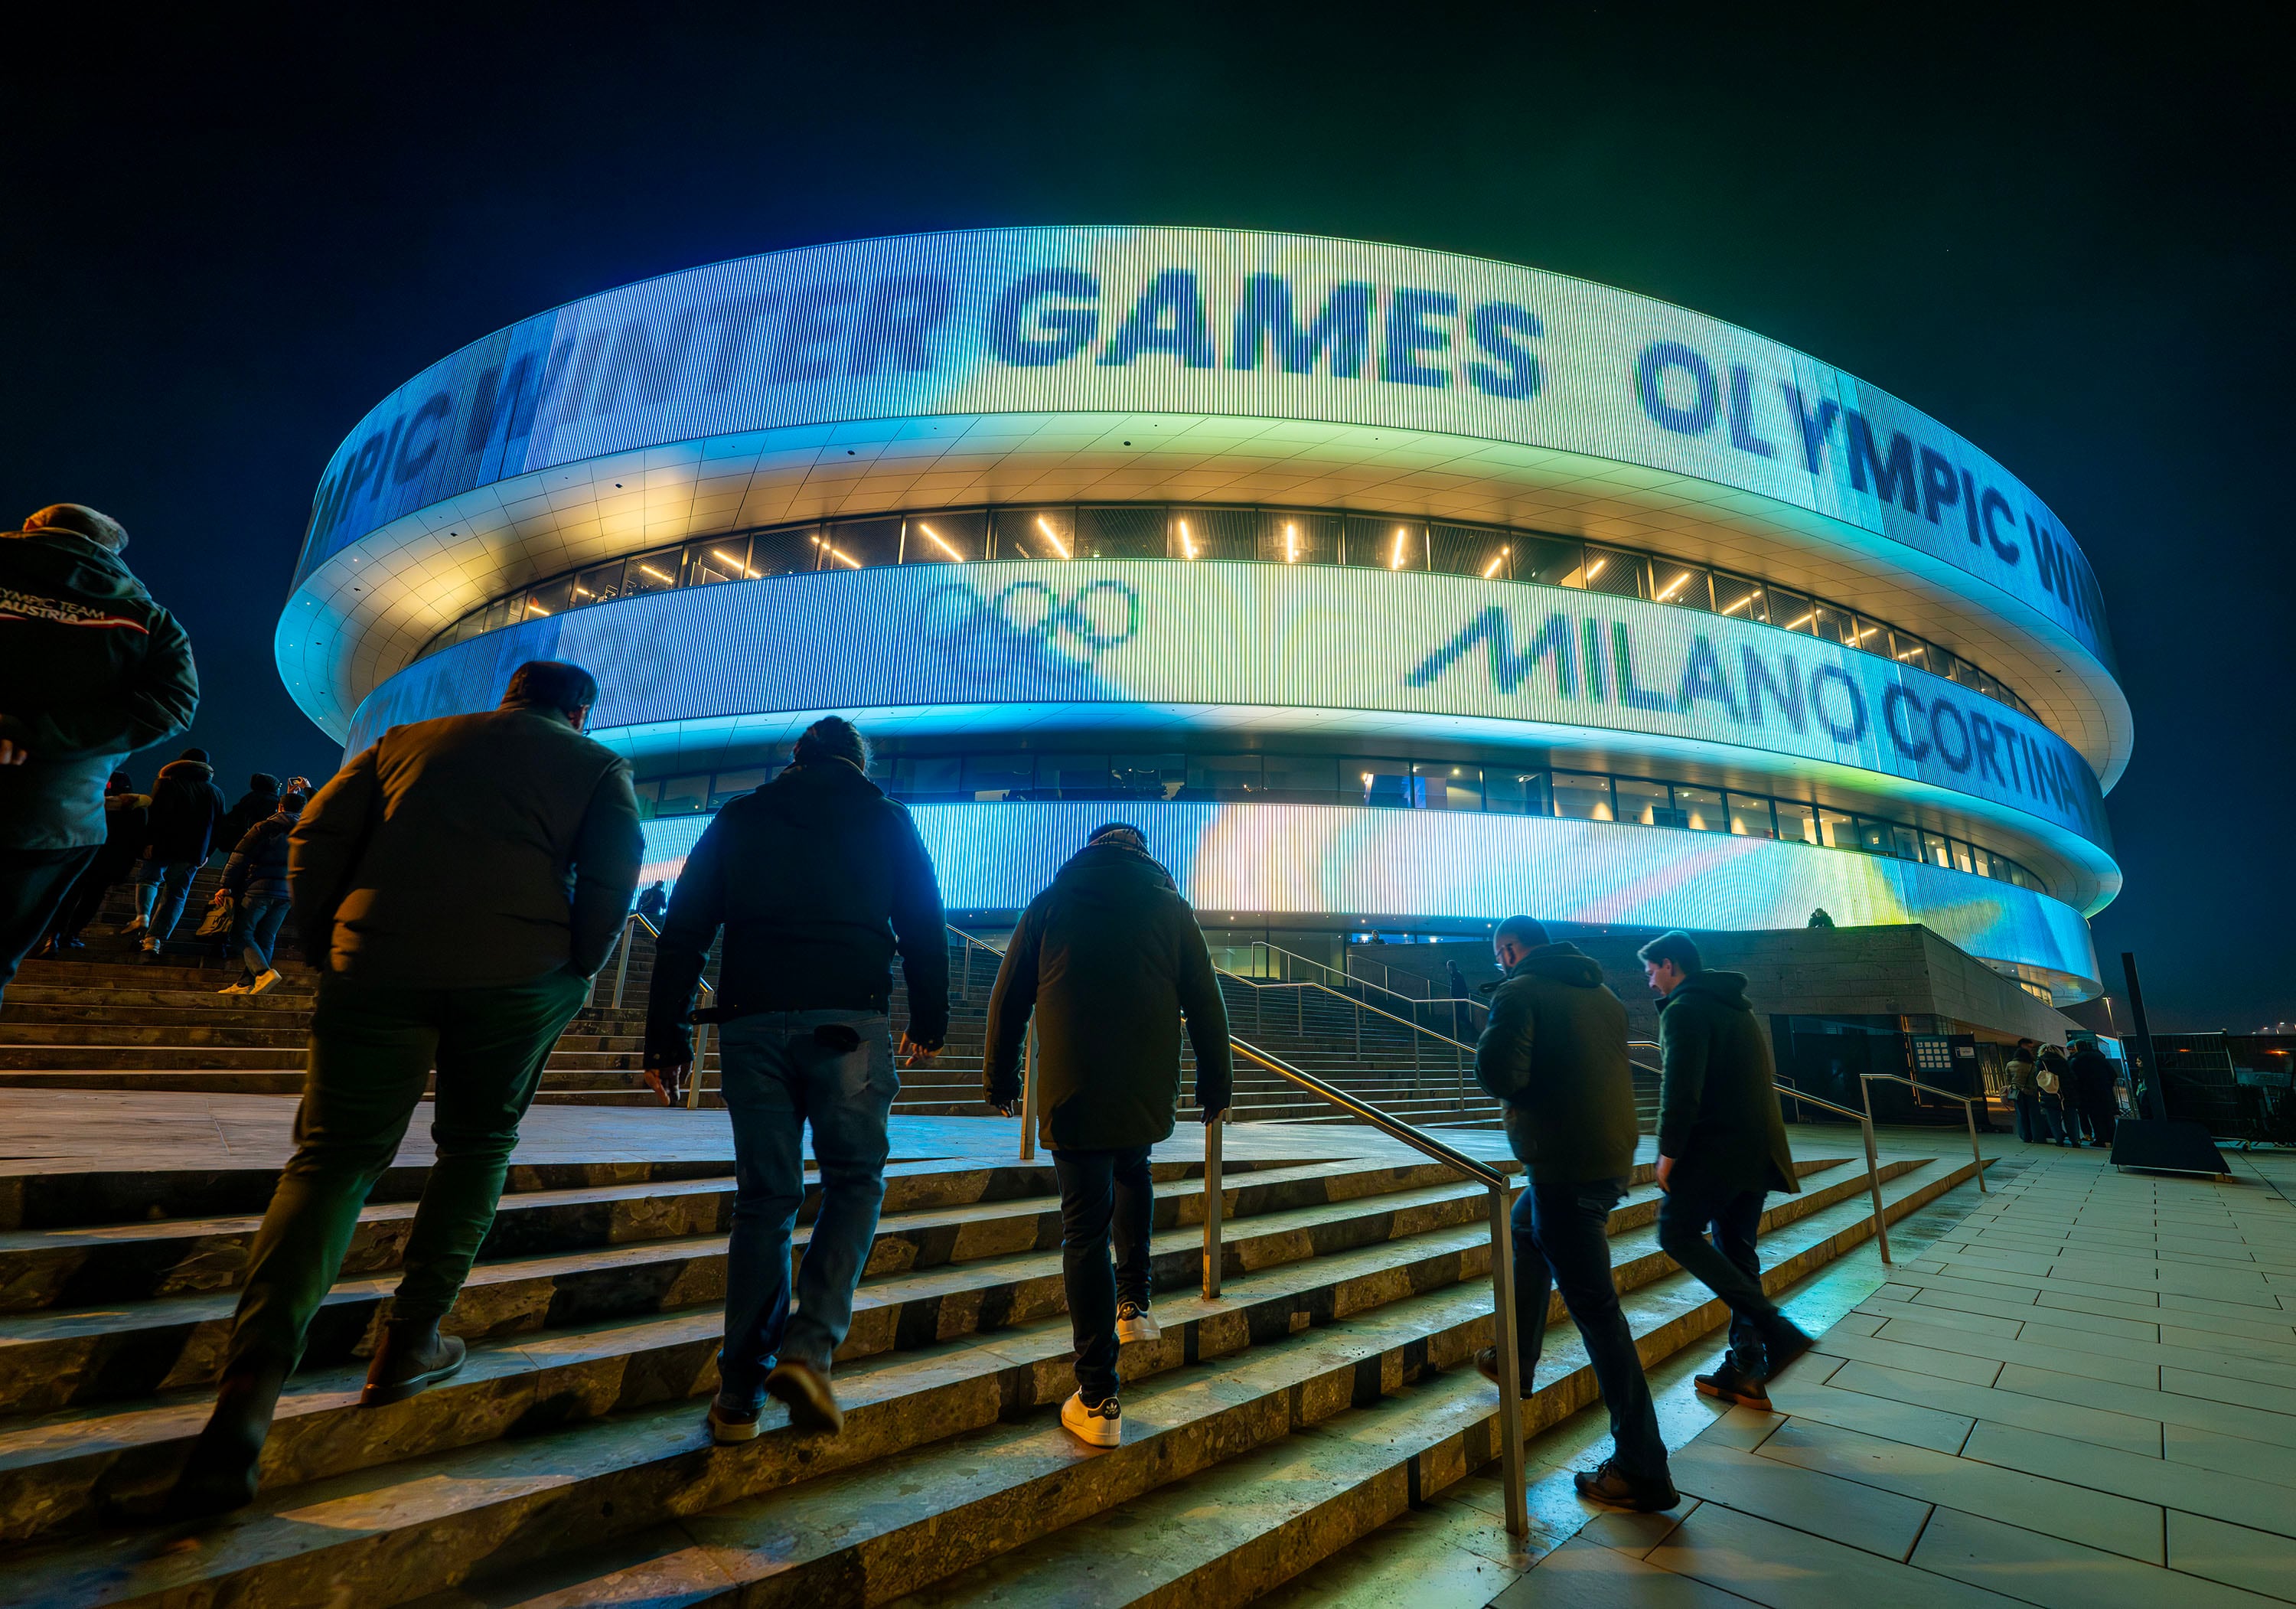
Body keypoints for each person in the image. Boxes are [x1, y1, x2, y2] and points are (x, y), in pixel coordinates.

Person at [165, 660, 642, 1517]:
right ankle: (410, 1341)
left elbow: (314, 833)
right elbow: (612, 880)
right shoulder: (598, 766)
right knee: (479, 1143)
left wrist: (324, 930)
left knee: (329, 1160)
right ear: (578, 710)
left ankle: (247, 1396)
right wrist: (579, 967)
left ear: (507, 696)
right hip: (518, 974)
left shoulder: (401, 741)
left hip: (377, 958)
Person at [644, 716, 947, 1444]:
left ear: (796, 758)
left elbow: (684, 927)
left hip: (751, 1023)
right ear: (858, 762)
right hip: (849, 1020)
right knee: (854, 1180)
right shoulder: (887, 817)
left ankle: (738, 1394)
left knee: (766, 1201)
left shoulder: (742, 814)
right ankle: (809, 1351)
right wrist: (929, 1019)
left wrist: (667, 1034)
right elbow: (923, 922)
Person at [983, 821, 1232, 1450]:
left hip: (1071, 1088)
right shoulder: (1172, 908)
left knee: (1082, 1229)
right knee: (1135, 1169)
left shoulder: (1051, 901)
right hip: (1143, 1087)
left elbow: (1008, 996)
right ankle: (1135, 1305)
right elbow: (1206, 999)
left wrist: (1000, 1074)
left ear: (1089, 849)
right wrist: (1215, 1082)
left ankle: (1098, 1397)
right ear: (1144, 856)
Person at [1472, 915, 1676, 1513]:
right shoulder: (1602, 993)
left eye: (1499, 957)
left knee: (1598, 1314)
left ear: (1509, 951)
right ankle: (1518, 1360)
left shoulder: (1518, 990)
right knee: (1523, 1225)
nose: (1500, 966)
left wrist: (1490, 1026)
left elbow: (1499, 1073)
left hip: (1564, 1164)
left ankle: (1642, 1466)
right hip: (1609, 1157)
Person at [0, 504, 197, 1002]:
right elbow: (172, 705)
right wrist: (42, 737)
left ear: (31, 528)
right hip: (53, 816)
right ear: (111, 551)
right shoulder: (150, 621)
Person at [1639, 931, 1813, 1412]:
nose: (1650, 982)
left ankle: (1773, 1329)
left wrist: (1668, 1151)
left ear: (1671, 965)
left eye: (1652, 970)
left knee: (1675, 1232)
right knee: (1737, 1253)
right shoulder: (1738, 1007)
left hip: (1717, 1149)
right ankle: (1746, 1367)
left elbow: (1681, 1085)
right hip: (1756, 1151)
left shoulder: (1685, 1008)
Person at [126, 747, 226, 959]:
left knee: (149, 878)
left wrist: (149, 841)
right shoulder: (216, 792)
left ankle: (143, 916)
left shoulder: (167, 782)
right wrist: (207, 852)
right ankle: (154, 940)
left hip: (163, 844)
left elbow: (156, 814)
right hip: (192, 852)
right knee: (176, 894)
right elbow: (219, 827)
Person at [214, 791, 306, 994]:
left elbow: (239, 856)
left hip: (259, 889)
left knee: (241, 932)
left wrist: (226, 884)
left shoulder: (264, 827)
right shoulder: (308, 833)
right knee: (266, 937)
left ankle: (263, 973)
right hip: (287, 893)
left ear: (280, 807)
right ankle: (246, 983)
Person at [43, 772, 145, 953]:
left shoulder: (90, 804)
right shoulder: (135, 809)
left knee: (69, 896)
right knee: (92, 899)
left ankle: (54, 937)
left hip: (82, 858)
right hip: (108, 864)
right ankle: (72, 934)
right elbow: (136, 840)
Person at [217, 773, 283, 860]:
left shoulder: (246, 800)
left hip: (240, 846)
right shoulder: (274, 803)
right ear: (273, 787)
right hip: (264, 851)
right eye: (279, 786)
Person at [2069, 1040, 2118, 1147]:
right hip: (2104, 1092)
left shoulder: (2077, 1060)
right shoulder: (2100, 1058)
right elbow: (2113, 1074)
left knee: (2095, 1117)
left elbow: (2074, 1078)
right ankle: (2113, 1138)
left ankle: (2101, 1139)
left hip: (2087, 1093)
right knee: (2108, 1116)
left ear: (2077, 1048)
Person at [2036, 1043, 2076, 1146]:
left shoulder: (2041, 1062)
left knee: (2053, 1119)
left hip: (2050, 1092)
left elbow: (2038, 1079)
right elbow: (2072, 1077)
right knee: (2071, 1118)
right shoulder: (2063, 1061)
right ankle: (2075, 1140)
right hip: (2067, 1093)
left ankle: (2059, 1140)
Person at [2006, 1039, 2040, 1143]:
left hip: (2016, 1092)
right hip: (2030, 1092)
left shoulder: (2010, 1064)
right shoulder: (2032, 1065)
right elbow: (2034, 1080)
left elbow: (2008, 1080)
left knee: (2021, 1114)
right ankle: (2036, 1135)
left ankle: (2025, 1136)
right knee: (2033, 1115)